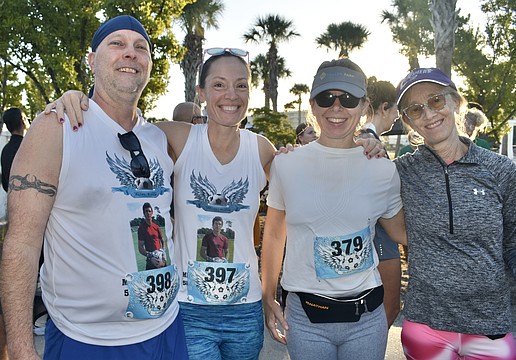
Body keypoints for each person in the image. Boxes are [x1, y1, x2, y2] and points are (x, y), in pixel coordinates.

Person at [46, 48, 385, 360]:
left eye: (241, 85)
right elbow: (117, 124)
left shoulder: (262, 149)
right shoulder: (176, 138)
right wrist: (77, 99)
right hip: (190, 309)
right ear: (202, 93)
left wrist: (363, 147)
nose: (231, 95)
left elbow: (314, 175)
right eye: (219, 85)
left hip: (245, 308)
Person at [0, 15, 188, 360]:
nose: (130, 53)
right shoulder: (56, 129)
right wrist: (21, 349)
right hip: (87, 341)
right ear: (91, 60)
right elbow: (21, 244)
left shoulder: (160, 138)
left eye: (141, 47)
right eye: (116, 43)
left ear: (149, 64)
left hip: (166, 332)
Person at [261, 58, 407, 360]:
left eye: (348, 98)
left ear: (364, 106)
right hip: (306, 319)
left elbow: (403, 233)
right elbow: (274, 235)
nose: (337, 108)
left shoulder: (382, 169)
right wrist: (267, 295)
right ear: (313, 105)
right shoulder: (287, 165)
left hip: (366, 319)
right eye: (327, 98)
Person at [394, 67, 516, 359]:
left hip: (491, 326)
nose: (429, 114)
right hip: (426, 326)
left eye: (436, 101)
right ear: (409, 121)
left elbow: (512, 244)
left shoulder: (502, 170)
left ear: (455, 102)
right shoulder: (401, 172)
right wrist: (367, 144)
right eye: (415, 109)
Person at [361, 79, 402, 327]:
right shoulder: (368, 143)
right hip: (380, 237)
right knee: (389, 310)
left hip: (378, 237)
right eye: (396, 109)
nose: (398, 116)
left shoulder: (366, 138)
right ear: (385, 107)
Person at [1, 108, 30, 192]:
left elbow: (5, 184)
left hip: (11, 197)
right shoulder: (27, 147)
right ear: (23, 120)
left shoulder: (6, 150)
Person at [138, 202, 167, 269]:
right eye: (146, 211)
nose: (148, 213)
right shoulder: (142, 228)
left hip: (160, 258)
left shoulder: (156, 227)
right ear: (143, 213)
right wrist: (150, 255)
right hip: (151, 260)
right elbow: (140, 247)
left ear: (152, 212)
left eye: (149, 211)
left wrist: (163, 252)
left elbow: (162, 240)